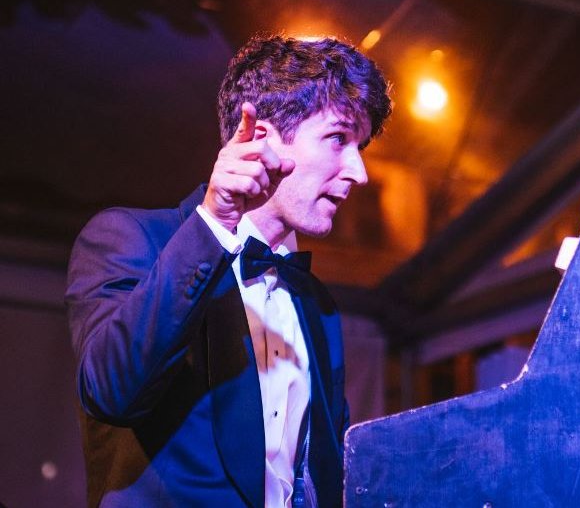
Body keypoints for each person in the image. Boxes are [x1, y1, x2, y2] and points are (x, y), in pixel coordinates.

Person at [65, 34, 392, 507]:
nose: (359, 172)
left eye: (359, 146)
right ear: (261, 137)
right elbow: (112, 392)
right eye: (338, 138)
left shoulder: (317, 303)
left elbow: (317, 478)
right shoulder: (130, 237)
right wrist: (214, 225)